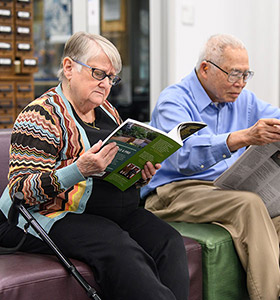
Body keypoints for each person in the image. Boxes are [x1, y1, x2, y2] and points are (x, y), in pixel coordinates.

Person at [0, 31, 189, 300]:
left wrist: (140, 173)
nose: (106, 84)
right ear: (69, 67)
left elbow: (114, 170)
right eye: (99, 74)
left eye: (112, 78)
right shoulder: (39, 116)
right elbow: (21, 190)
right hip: (49, 213)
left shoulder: (108, 111)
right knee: (118, 248)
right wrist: (79, 169)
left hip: (103, 209)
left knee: (168, 241)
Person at [141, 33, 280, 300]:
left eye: (246, 75)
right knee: (248, 204)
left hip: (220, 188)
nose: (240, 83)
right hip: (174, 191)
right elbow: (184, 157)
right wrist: (243, 137)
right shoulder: (174, 100)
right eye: (234, 74)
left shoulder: (243, 101)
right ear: (205, 68)